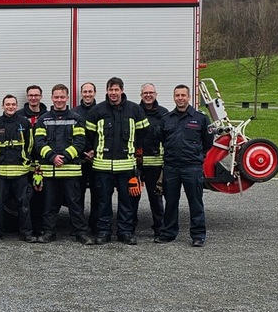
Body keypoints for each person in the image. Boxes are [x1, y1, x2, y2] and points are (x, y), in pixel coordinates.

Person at [85, 77, 149, 245]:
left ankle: (125, 232)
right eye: (110, 90)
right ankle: (104, 232)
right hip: (102, 166)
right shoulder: (97, 111)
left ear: (122, 90)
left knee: (127, 201)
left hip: (127, 166)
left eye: (116, 90)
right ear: (106, 91)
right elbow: (89, 135)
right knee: (102, 202)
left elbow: (143, 133)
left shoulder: (135, 110)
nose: (113, 93)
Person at [33, 84, 93, 245]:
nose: (59, 100)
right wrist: (52, 157)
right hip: (50, 171)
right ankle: (49, 232)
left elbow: (80, 142)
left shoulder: (76, 118)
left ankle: (81, 232)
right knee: (50, 204)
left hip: (70, 170)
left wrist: (64, 157)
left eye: (62, 97)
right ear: (52, 98)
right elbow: (38, 142)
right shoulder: (43, 119)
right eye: (56, 97)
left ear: (67, 98)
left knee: (75, 204)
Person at [156, 84, 212, 247]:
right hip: (171, 167)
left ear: (189, 97)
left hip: (192, 167)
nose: (180, 98)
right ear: (174, 97)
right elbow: (162, 139)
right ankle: (168, 233)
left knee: (195, 202)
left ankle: (198, 235)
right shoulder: (166, 118)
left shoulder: (200, 118)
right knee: (171, 202)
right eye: (177, 95)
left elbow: (208, 142)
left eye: (183, 95)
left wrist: (196, 155)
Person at [0, 94, 37, 243]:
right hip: (0, 172)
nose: (10, 107)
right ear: (2, 106)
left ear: (17, 106)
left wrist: (27, 162)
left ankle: (26, 233)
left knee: (24, 204)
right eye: (7, 104)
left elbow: (30, 145)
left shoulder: (24, 123)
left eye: (13, 104)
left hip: (20, 171)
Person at [133, 83, 169, 237]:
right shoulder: (134, 111)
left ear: (156, 94)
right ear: (141, 95)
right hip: (136, 163)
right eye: (145, 93)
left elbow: (168, 138)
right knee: (132, 197)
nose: (148, 95)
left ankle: (159, 229)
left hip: (155, 163)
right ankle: (129, 229)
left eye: (151, 92)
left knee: (156, 198)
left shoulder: (164, 114)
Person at [17, 84, 48, 236]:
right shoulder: (19, 116)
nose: (33, 98)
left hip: (43, 163)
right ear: (27, 97)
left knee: (41, 198)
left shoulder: (47, 116)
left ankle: (39, 227)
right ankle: (26, 229)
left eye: (36, 95)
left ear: (41, 96)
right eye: (31, 95)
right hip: (25, 164)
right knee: (26, 199)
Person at [73, 82, 99, 233]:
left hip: (97, 159)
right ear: (81, 94)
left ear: (95, 93)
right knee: (77, 194)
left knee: (97, 193)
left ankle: (95, 224)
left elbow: (103, 135)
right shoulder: (74, 112)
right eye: (85, 92)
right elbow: (73, 136)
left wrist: (94, 151)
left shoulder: (102, 110)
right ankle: (79, 225)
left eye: (90, 91)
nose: (87, 94)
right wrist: (83, 152)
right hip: (79, 159)